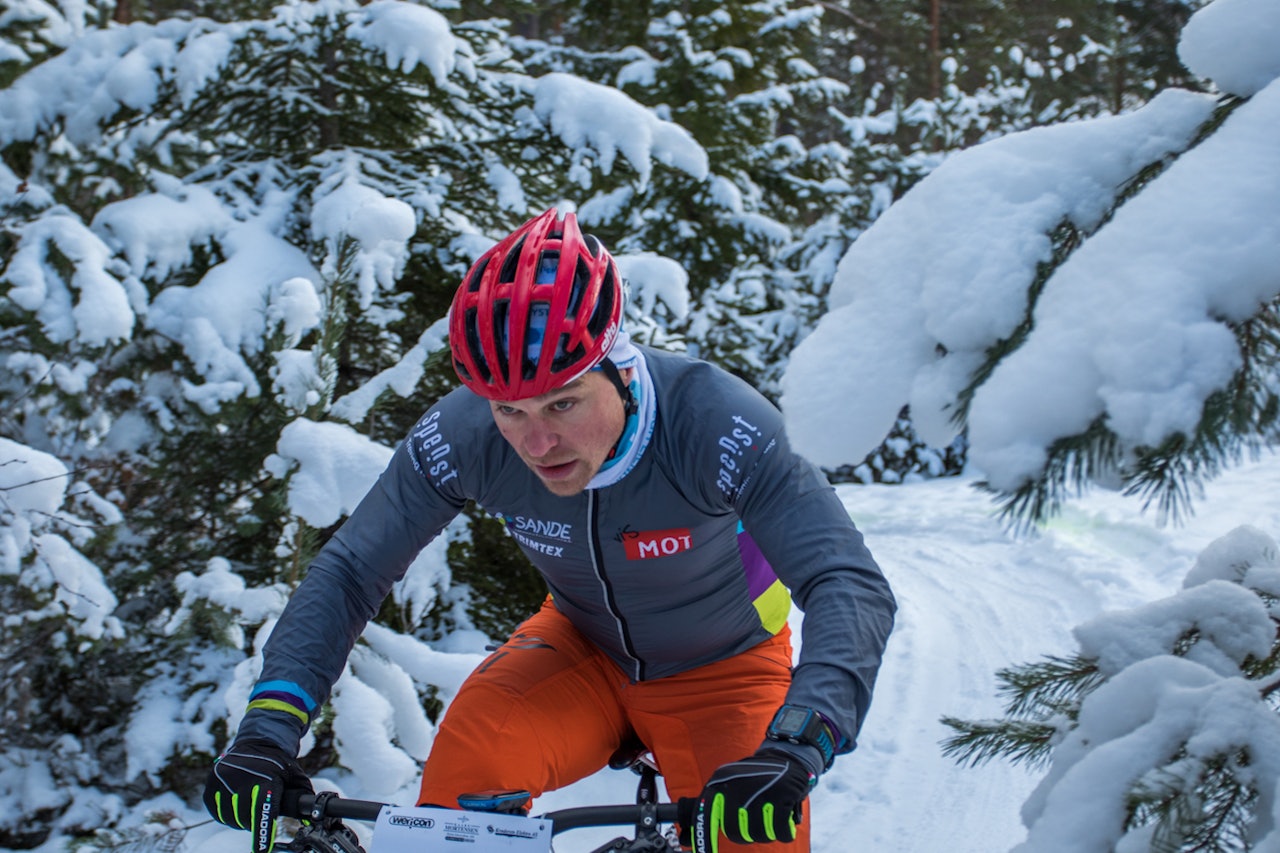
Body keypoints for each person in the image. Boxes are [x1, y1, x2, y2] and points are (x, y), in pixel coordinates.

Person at [202, 208, 896, 853]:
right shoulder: (466, 433)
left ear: (617, 366)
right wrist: (267, 729)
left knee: (756, 833)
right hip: (580, 647)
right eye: (511, 410)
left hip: (727, 668)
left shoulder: (716, 423)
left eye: (563, 402)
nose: (537, 443)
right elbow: (352, 568)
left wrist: (800, 741)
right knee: (461, 783)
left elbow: (847, 582)